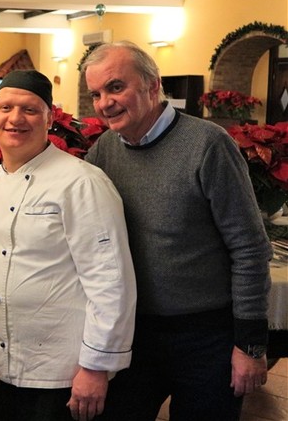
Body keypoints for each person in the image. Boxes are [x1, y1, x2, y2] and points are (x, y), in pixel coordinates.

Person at [81, 41, 273, 420]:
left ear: (154, 86)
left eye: (116, 87)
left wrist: (249, 345)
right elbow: (64, 199)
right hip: (132, 334)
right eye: (96, 94)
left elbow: (249, 249)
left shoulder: (208, 145)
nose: (104, 103)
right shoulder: (104, 149)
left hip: (206, 338)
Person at [0, 69, 137, 421]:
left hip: (61, 373)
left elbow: (111, 281)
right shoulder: (0, 179)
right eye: (5, 108)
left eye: (30, 110)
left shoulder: (82, 182)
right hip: (2, 364)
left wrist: (96, 367)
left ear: (50, 118)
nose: (15, 119)